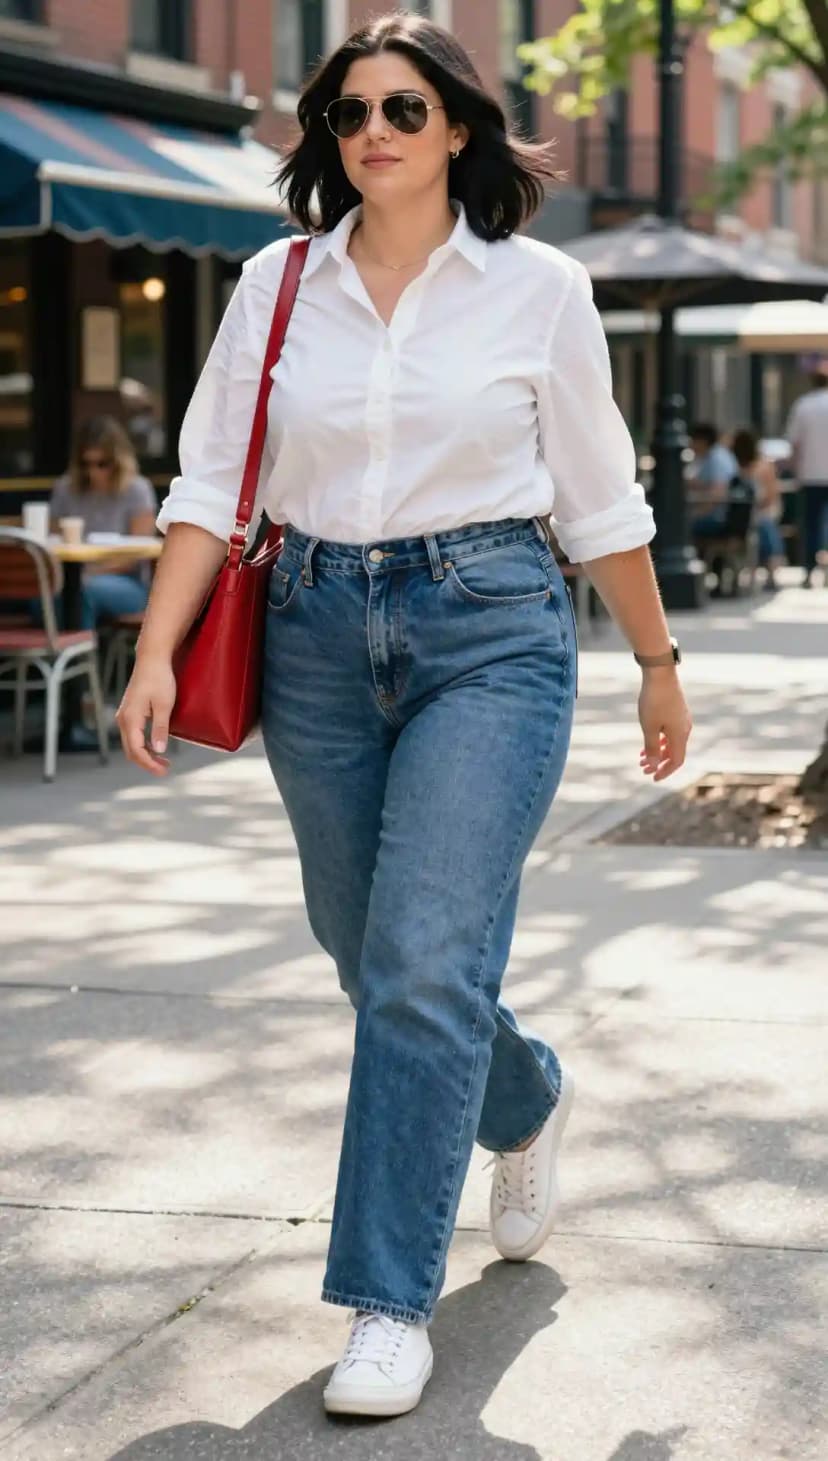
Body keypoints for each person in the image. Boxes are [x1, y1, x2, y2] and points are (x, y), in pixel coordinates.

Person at [116, 11, 692, 1421]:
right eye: (349, 113)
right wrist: (151, 650)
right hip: (313, 629)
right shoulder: (273, 284)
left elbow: (600, 494)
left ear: (460, 131)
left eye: (404, 110)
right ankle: (528, 1093)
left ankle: (384, 1300)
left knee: (424, 953)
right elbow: (207, 482)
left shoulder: (539, 288)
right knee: (366, 951)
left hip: (489, 630)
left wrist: (657, 660)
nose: (372, 131)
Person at [49, 416, 157, 628]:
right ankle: (57, 656)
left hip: (128, 583)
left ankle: (80, 658)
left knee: (82, 593)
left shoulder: (137, 489)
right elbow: (53, 539)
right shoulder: (66, 488)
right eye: (85, 464)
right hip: (72, 578)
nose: (93, 471)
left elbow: (136, 554)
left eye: (102, 464)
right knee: (40, 599)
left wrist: (87, 575)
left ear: (118, 460)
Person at [785, 370, 828, 587]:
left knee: (811, 526)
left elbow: (794, 443)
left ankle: (810, 571)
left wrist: (793, 468)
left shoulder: (803, 406)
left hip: (810, 475)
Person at [731, 427, 785, 591]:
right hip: (742, 511)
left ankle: (769, 570)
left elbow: (771, 497)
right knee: (757, 526)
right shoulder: (735, 467)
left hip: (764, 510)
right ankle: (767, 569)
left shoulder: (763, 466)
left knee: (764, 525)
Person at [687, 423, 739, 538]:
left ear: (703, 441)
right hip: (716, 515)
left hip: (719, 518)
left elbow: (717, 495)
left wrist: (695, 514)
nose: (691, 445)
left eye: (693, 441)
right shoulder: (708, 457)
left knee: (679, 525)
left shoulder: (717, 458)